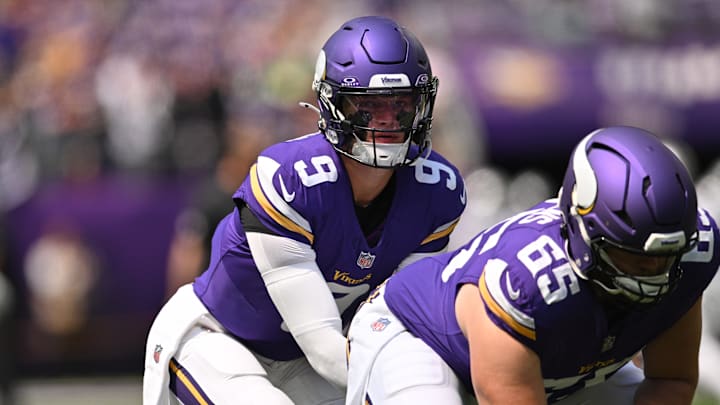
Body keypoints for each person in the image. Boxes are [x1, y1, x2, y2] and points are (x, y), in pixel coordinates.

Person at [143, 15, 467, 405]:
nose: (387, 122)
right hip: (217, 338)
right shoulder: (290, 180)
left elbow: (405, 323)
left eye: (401, 105)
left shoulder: (437, 191)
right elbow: (325, 346)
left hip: (303, 362)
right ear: (332, 104)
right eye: (368, 106)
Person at [345, 126, 720, 405]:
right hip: (420, 337)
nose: (649, 273)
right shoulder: (525, 281)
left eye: (662, 258)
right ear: (581, 232)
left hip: (552, 362)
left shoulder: (692, 252)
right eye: (631, 257)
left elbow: (671, 380)